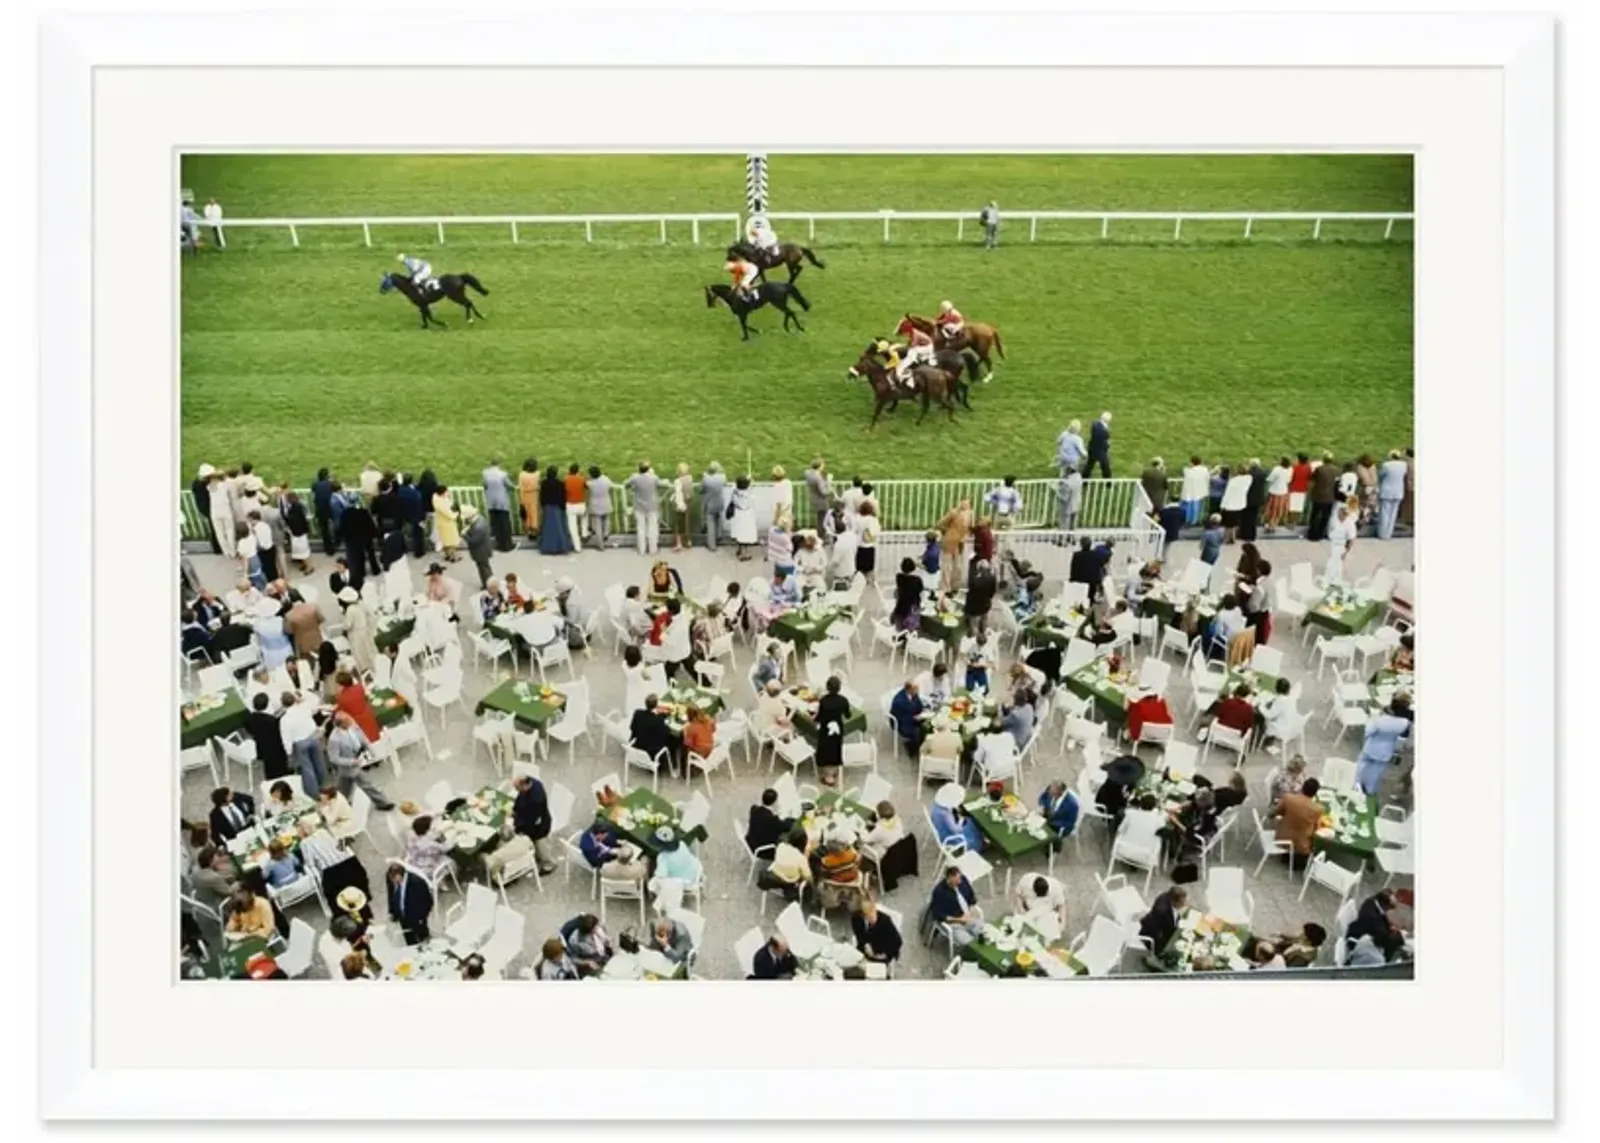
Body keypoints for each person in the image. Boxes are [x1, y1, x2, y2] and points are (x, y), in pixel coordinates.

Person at [325, 710, 394, 810]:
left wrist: (370, 750)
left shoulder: (353, 726)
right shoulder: (334, 739)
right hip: (348, 767)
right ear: (340, 724)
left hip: (358, 757)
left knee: (353, 787)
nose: (350, 721)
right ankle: (382, 803)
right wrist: (352, 762)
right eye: (347, 720)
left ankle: (382, 803)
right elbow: (333, 758)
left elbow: (362, 737)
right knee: (352, 787)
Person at [1356, 697, 1413, 795]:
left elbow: (1368, 732)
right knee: (1376, 772)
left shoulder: (1379, 720)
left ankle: (1357, 786)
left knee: (1362, 767)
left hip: (1371, 747)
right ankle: (1369, 790)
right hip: (1386, 751)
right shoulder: (1404, 723)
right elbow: (1403, 739)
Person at [511, 774, 560, 874]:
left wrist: (518, 827)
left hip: (539, 828)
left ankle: (549, 864)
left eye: (517, 788)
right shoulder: (532, 782)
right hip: (535, 820)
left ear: (524, 785)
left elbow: (530, 821)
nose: (516, 790)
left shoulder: (536, 799)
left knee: (541, 847)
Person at [1272, 777, 1323, 869]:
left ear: (1302, 787)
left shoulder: (1288, 798)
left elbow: (1273, 813)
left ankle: (1288, 857)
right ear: (1315, 793)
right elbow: (1316, 828)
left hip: (1282, 837)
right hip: (1301, 845)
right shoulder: (1317, 809)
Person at [929, 865, 983, 948]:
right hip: (953, 923)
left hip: (967, 916)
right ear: (950, 877)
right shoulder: (939, 892)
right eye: (957, 879)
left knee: (984, 933)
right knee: (970, 945)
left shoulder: (963, 880)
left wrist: (970, 910)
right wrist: (960, 919)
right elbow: (938, 914)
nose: (960, 881)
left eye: (960, 878)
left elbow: (971, 896)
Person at [813, 676, 851, 788]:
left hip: (825, 729)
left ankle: (827, 774)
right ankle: (833, 771)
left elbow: (819, 717)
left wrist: (814, 718)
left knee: (825, 749)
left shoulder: (824, 700)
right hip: (837, 728)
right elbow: (848, 715)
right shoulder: (843, 700)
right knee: (835, 748)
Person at [579, 821, 649, 882]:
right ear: (599, 834)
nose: (607, 836)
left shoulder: (606, 869)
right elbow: (596, 862)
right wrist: (610, 853)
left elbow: (610, 839)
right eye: (605, 835)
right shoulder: (588, 847)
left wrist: (617, 842)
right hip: (602, 858)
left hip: (610, 855)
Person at [756, 827, 812, 901]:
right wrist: (807, 856)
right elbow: (808, 877)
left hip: (775, 873)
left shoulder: (781, 846)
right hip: (790, 881)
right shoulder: (801, 858)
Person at [930, 783, 984, 853]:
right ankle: (978, 845)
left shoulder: (937, 807)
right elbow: (956, 829)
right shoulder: (947, 815)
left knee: (968, 822)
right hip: (950, 837)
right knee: (971, 826)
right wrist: (962, 821)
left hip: (940, 830)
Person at [936, 498, 974, 592]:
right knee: (947, 566)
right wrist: (948, 532)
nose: (965, 504)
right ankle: (945, 588)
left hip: (960, 543)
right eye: (963, 502)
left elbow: (969, 527)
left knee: (957, 566)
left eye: (967, 503)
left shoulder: (970, 514)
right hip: (950, 541)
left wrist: (966, 535)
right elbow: (940, 523)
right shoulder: (953, 513)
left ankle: (955, 586)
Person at [1137, 884, 1188, 953]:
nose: (1184, 904)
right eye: (1182, 902)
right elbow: (1167, 932)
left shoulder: (1167, 896)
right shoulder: (1162, 911)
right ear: (1173, 901)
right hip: (1155, 937)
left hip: (1160, 927)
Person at [851, 898, 903, 966]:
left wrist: (881, 954)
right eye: (869, 917)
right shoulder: (856, 918)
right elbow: (859, 934)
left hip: (882, 954)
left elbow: (898, 942)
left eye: (873, 914)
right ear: (863, 916)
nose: (873, 919)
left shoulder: (885, 921)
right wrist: (865, 944)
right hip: (864, 951)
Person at [745, 788, 794, 855]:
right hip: (763, 850)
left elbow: (758, 808)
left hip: (751, 842)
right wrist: (788, 817)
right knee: (787, 837)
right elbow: (786, 826)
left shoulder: (753, 809)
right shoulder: (772, 820)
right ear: (775, 803)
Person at [888, 679, 927, 756]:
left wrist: (922, 713)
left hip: (912, 717)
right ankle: (911, 748)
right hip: (902, 723)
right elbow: (902, 717)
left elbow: (919, 706)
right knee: (917, 732)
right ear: (909, 689)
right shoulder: (899, 701)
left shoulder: (914, 694)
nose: (918, 690)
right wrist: (915, 718)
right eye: (916, 689)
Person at [1038, 781, 1080, 846]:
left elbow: (1070, 823)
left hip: (1057, 825)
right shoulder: (1050, 789)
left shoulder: (1072, 805)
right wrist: (1042, 806)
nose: (1050, 795)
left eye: (1053, 794)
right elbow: (1042, 797)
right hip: (1047, 815)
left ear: (1061, 793)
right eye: (1050, 792)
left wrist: (1049, 823)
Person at [727, 475, 758, 560]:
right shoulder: (750, 494)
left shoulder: (734, 492)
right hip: (747, 515)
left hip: (738, 514)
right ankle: (745, 553)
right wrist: (750, 481)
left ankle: (740, 550)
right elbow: (751, 490)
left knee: (739, 533)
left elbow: (734, 487)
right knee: (746, 534)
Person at [700, 461, 728, 550]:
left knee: (710, 524)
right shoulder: (722, 477)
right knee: (718, 519)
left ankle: (712, 545)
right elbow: (725, 483)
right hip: (719, 503)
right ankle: (718, 536)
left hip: (710, 504)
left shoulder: (706, 479)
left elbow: (701, 489)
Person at [431, 485, 460, 563]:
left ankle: (447, 555)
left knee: (445, 541)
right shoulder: (442, 503)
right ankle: (453, 557)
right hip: (448, 524)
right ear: (443, 493)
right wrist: (457, 514)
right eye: (447, 491)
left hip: (441, 523)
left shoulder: (436, 499)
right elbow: (450, 515)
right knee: (453, 542)